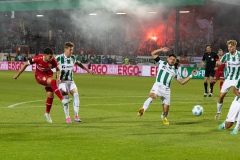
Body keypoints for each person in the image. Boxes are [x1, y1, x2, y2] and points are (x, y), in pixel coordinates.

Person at [138, 47, 196, 125]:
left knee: (166, 111)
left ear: (175, 61)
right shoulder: (162, 63)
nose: (172, 60)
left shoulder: (175, 71)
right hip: (158, 86)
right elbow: (153, 53)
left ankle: (163, 117)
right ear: (168, 59)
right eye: (171, 59)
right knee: (152, 96)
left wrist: (191, 75)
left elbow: (182, 82)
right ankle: (143, 109)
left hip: (166, 90)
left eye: (174, 59)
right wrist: (161, 50)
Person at [13, 47, 71, 123]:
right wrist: (18, 74)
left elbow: (58, 69)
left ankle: (47, 113)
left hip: (48, 76)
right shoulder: (38, 58)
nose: (51, 58)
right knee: (53, 82)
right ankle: (62, 100)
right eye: (50, 56)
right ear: (45, 55)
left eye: (52, 56)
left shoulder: (53, 60)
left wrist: (59, 78)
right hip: (39, 76)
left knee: (50, 95)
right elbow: (26, 64)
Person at [55, 42, 94, 124]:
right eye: (70, 49)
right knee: (65, 98)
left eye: (72, 49)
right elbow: (51, 66)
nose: (72, 51)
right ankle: (67, 117)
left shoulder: (73, 58)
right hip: (62, 82)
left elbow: (79, 64)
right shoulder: (58, 58)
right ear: (65, 49)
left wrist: (88, 70)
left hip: (70, 81)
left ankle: (76, 116)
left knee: (76, 94)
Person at [215, 40, 240, 120]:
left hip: (238, 79)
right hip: (229, 79)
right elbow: (219, 62)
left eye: (231, 46)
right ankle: (219, 112)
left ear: (235, 46)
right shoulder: (226, 56)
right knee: (221, 96)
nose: (229, 48)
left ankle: (235, 116)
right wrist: (217, 63)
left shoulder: (239, 55)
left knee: (236, 97)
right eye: (228, 47)